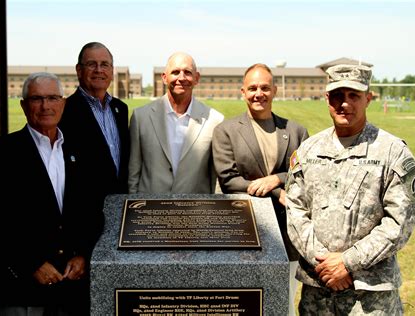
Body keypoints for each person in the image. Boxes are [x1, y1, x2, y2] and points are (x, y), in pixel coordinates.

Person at [286, 64, 415, 314]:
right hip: (318, 291)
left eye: (354, 95)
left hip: (370, 296)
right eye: (337, 95)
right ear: (327, 98)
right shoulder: (308, 151)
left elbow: (400, 223)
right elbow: (295, 212)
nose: (344, 103)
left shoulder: (393, 152)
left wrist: (347, 263)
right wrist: (325, 264)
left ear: (368, 98)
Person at [0, 73, 103, 315]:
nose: (46, 106)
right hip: (20, 286)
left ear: (63, 103)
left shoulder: (80, 151)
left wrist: (84, 254)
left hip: (70, 286)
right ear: (24, 105)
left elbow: (92, 210)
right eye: (37, 99)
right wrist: (31, 264)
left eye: (53, 98)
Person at [212, 63, 308, 316]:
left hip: (288, 236)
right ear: (242, 92)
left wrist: (277, 178)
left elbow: (308, 175)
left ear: (274, 90)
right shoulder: (226, 131)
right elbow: (229, 180)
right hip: (243, 231)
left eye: (265, 87)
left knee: (284, 302)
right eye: (252, 88)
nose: (259, 93)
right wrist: (277, 191)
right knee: (242, 302)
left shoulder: (296, 131)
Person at [128, 52, 224, 193]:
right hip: (150, 209)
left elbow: (216, 179)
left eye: (187, 72)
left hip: (195, 210)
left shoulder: (215, 120)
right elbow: (133, 172)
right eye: (175, 72)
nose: (181, 78)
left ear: (196, 78)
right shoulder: (141, 117)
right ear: (165, 78)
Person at [59, 42, 129, 209]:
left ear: (112, 71)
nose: (99, 70)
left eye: (105, 64)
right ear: (79, 70)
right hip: (84, 213)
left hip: (121, 208)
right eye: (92, 64)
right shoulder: (63, 111)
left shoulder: (121, 109)